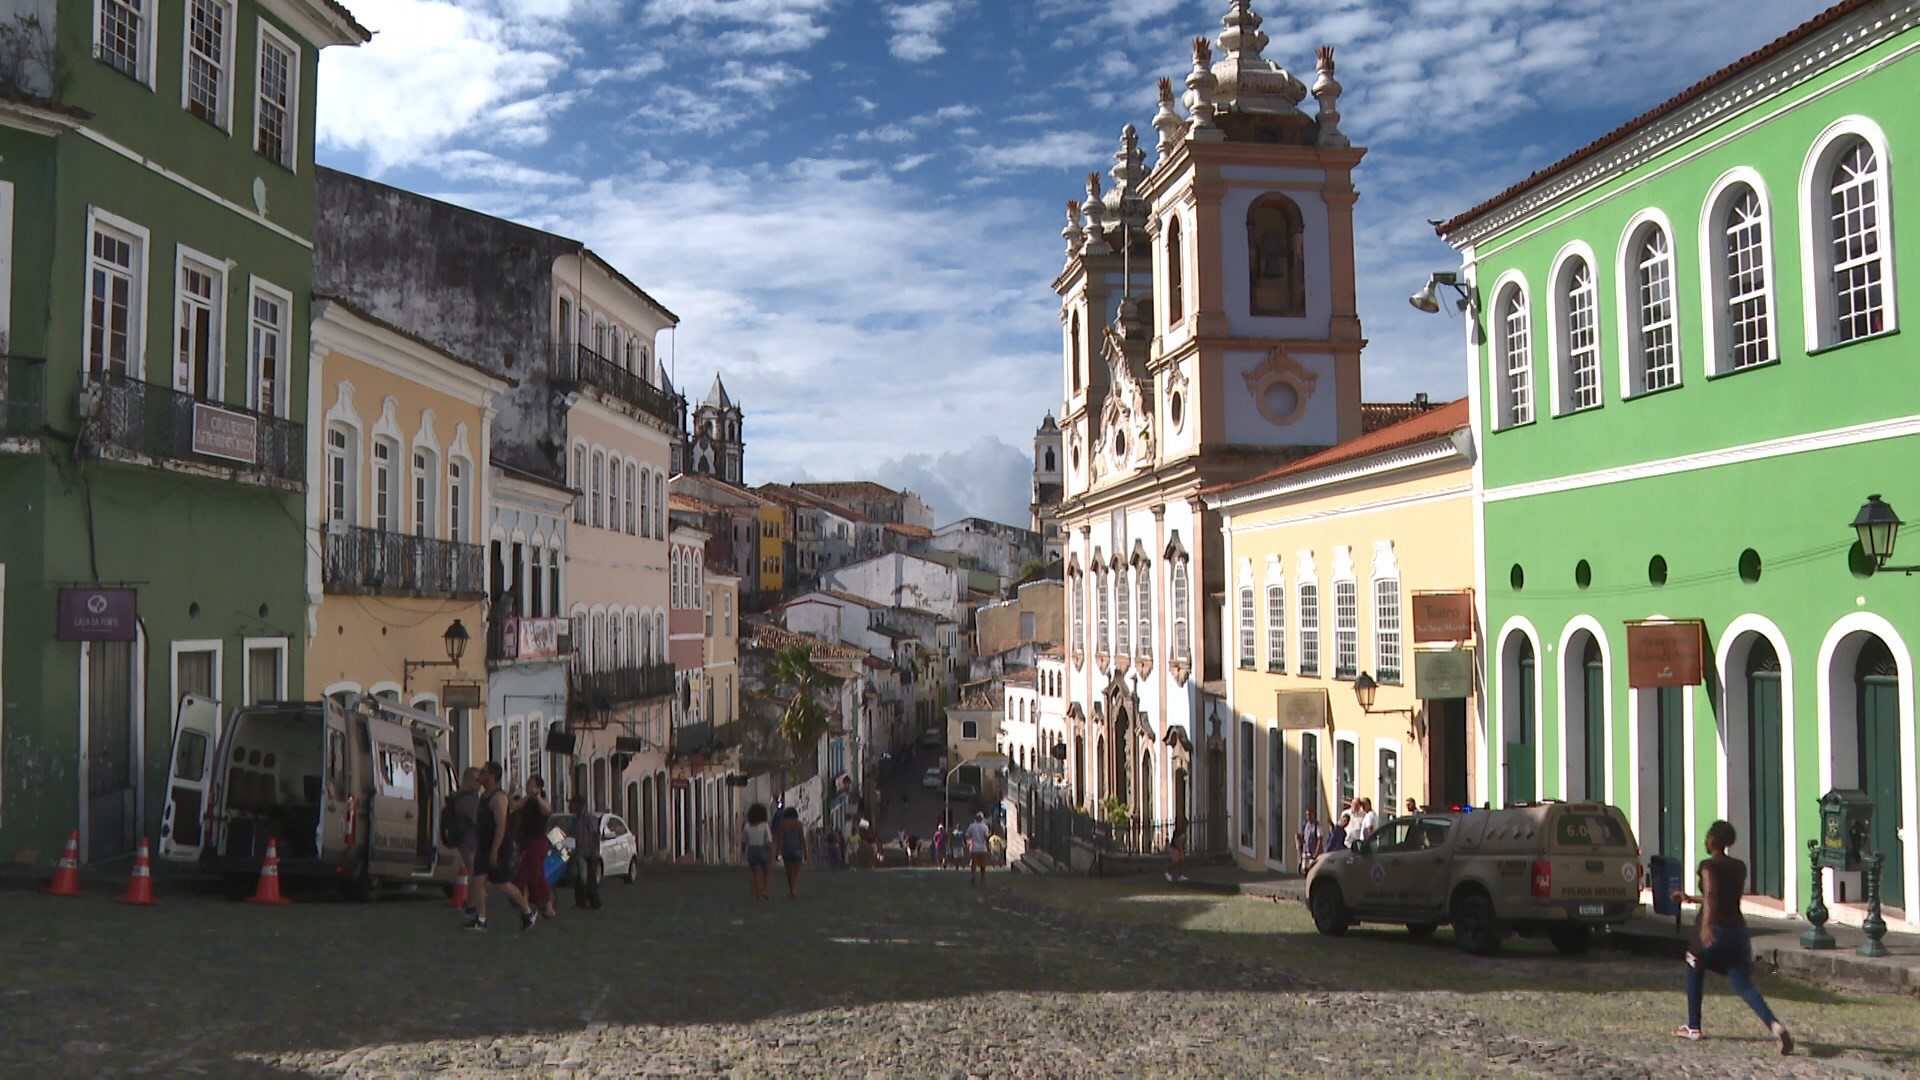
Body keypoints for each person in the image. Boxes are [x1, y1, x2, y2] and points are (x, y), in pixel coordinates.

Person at [1670, 820, 1793, 1054]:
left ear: (1713, 840)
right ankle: (1775, 1026)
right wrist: (1689, 898)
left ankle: (1693, 1026)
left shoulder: (1708, 866)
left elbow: (1712, 894)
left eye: (1707, 837)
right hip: (1738, 932)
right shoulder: (1739, 867)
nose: (1705, 841)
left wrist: (1705, 926)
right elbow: (1719, 896)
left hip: (1716, 929)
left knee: (1693, 962)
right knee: (1744, 984)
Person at [466, 762, 533, 931]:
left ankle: (527, 912)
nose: (479, 775)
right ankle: (481, 919)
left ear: (492, 776)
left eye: (483, 772)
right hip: (484, 845)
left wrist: (495, 851)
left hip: (499, 847)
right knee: (477, 880)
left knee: (503, 884)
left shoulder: (499, 798)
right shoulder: (484, 796)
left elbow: (501, 826)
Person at [514, 775, 556, 922]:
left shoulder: (542, 801)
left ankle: (548, 906)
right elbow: (513, 806)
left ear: (538, 787)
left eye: (531, 784)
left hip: (537, 842)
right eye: (527, 783)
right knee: (522, 876)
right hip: (525, 841)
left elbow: (547, 810)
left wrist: (536, 797)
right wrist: (519, 793)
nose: (527, 786)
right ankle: (526, 908)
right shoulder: (526, 801)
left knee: (537, 875)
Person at [451, 768, 482, 919]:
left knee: (474, 874)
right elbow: (478, 819)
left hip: (469, 840)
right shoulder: (466, 799)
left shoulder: (465, 796)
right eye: (477, 780)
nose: (480, 784)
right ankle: (472, 906)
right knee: (475, 874)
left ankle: (471, 904)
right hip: (468, 841)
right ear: (468, 780)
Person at [569, 794, 603, 911]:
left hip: (588, 853)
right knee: (579, 879)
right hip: (579, 852)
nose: (570, 807)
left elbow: (595, 834)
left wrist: (595, 851)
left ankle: (595, 903)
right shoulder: (576, 819)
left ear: (579, 805)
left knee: (589, 880)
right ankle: (580, 903)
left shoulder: (588, 818)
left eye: (572, 804)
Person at [742, 803, 773, 900]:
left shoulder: (747, 825)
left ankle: (757, 893)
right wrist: (772, 853)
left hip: (751, 850)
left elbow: (744, 841)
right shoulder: (764, 825)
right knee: (766, 871)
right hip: (762, 849)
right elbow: (769, 840)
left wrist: (743, 851)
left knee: (755, 873)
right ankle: (765, 890)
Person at [778, 807, 807, 898]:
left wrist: (779, 851)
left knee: (789, 872)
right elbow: (802, 838)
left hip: (786, 850)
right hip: (797, 849)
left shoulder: (783, 824)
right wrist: (805, 851)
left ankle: (791, 890)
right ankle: (794, 889)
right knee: (797, 872)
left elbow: (781, 838)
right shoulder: (799, 824)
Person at [965, 812, 992, 884]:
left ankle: (973, 877)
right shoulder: (985, 826)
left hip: (974, 848)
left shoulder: (971, 826)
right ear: (982, 819)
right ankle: (982, 878)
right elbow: (986, 837)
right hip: (982, 848)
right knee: (983, 864)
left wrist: (969, 843)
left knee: (974, 863)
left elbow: (967, 835)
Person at [1297, 808, 1320, 874]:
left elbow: (1319, 840)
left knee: (1312, 870)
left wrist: (1316, 853)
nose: (1308, 817)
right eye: (1307, 815)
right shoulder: (1305, 825)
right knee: (1305, 870)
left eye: (1310, 815)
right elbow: (1304, 839)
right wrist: (1299, 838)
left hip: (1312, 852)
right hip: (1305, 851)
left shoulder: (1317, 825)